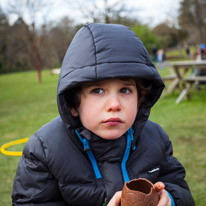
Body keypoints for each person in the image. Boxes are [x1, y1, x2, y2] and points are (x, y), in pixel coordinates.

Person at [12, 23, 195, 206]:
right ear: (74, 103)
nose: (114, 105)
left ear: (140, 98)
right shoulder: (44, 150)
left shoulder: (156, 138)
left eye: (125, 90)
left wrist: (170, 199)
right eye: (98, 91)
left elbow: (180, 188)